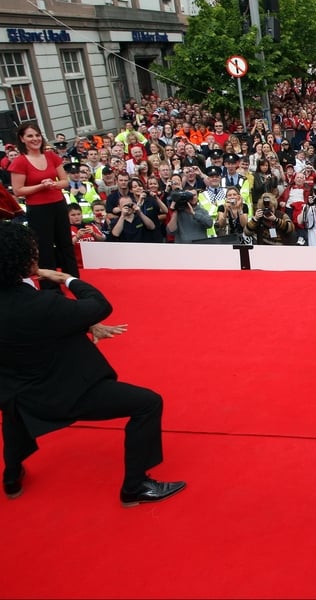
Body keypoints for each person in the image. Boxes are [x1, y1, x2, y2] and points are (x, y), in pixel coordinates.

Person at [0, 222, 185, 505]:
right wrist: (67, 279)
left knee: (14, 410)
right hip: (65, 392)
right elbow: (98, 305)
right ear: (24, 259)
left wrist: (84, 326)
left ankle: (11, 477)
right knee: (148, 403)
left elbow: (27, 330)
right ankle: (135, 487)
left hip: (17, 391)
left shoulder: (32, 305)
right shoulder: (42, 304)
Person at [8, 122, 78, 287]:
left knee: (65, 243)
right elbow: (18, 190)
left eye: (37, 135)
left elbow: (64, 181)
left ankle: (73, 280)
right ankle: (50, 286)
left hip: (58, 204)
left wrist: (53, 185)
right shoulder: (20, 162)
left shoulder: (51, 156)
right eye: (30, 136)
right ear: (22, 139)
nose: (35, 139)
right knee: (44, 248)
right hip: (38, 209)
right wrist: (41, 186)